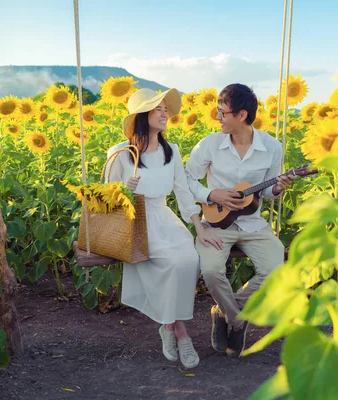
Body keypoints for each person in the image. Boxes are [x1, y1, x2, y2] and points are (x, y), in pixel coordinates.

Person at [105, 88, 223, 369]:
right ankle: (180, 332)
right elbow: (105, 197)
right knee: (170, 263)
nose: (164, 113)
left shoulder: (172, 151)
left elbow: (182, 192)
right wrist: (124, 188)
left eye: (164, 109)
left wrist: (198, 227)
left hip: (164, 217)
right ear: (141, 117)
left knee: (188, 259)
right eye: (157, 108)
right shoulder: (121, 153)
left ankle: (168, 327)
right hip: (135, 221)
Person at [185, 83, 295, 358]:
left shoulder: (272, 147)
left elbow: (268, 192)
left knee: (276, 270)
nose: (218, 118)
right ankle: (238, 320)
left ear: (242, 115)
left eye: (222, 113)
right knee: (210, 270)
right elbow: (186, 179)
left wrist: (279, 188)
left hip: (253, 224)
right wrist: (212, 193)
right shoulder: (209, 144)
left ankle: (227, 313)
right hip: (216, 223)